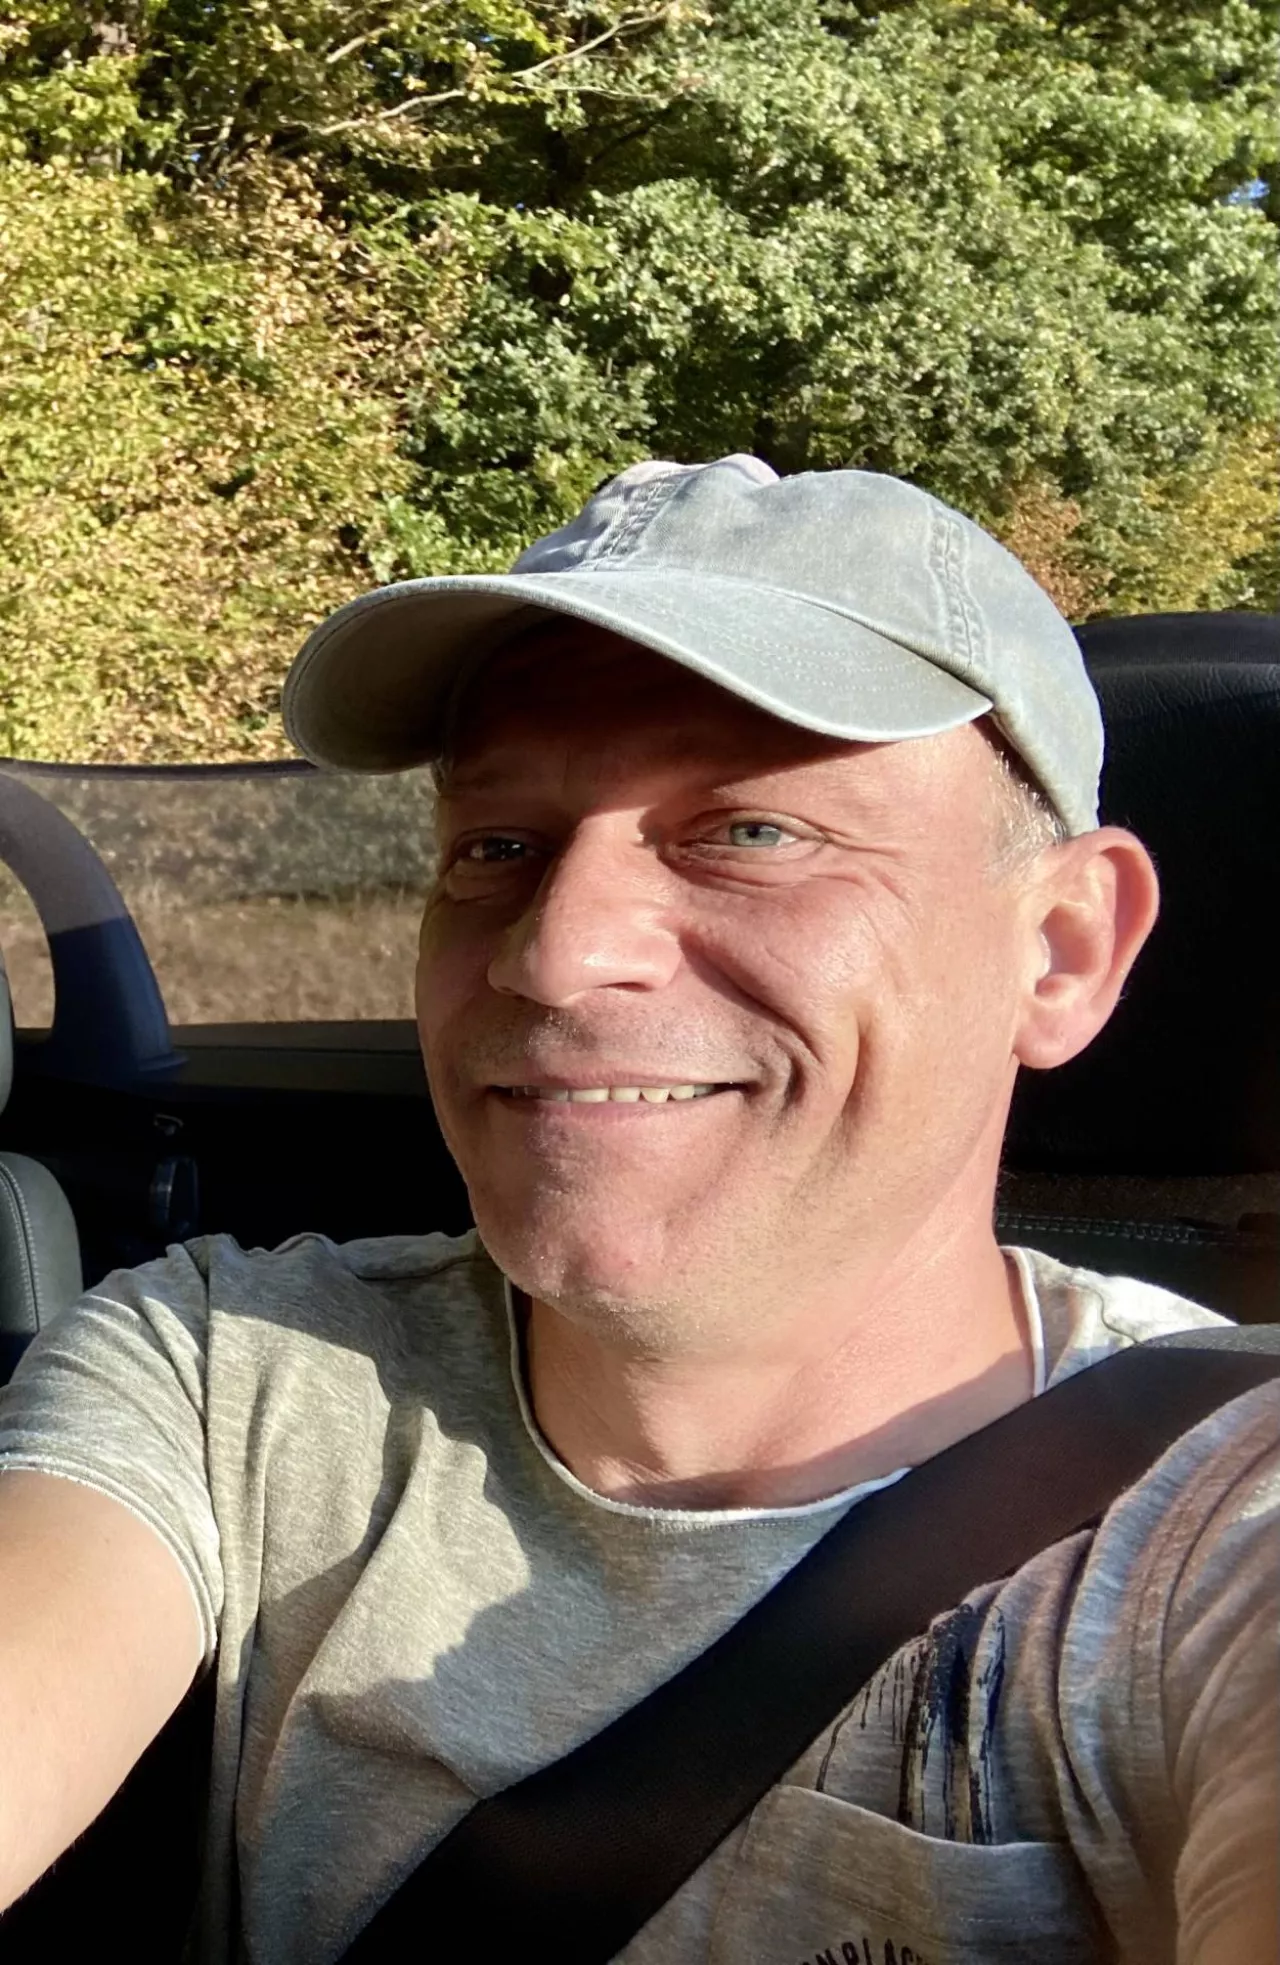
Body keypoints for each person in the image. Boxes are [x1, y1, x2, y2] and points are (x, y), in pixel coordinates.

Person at [0, 457, 1275, 1964]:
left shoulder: (1220, 1515)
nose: (553, 954)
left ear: (1060, 949)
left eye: (751, 832)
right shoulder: (225, 1373)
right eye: (497, 847)